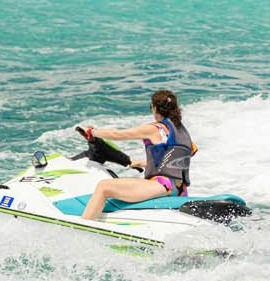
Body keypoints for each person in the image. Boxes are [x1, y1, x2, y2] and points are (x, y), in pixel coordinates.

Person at [77, 89, 196, 221]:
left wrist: (93, 132)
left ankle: (83, 226)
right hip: (180, 190)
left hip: (161, 186)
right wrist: (140, 163)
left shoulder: (155, 128)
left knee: (104, 186)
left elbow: (118, 134)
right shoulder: (183, 133)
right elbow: (179, 158)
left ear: (155, 108)